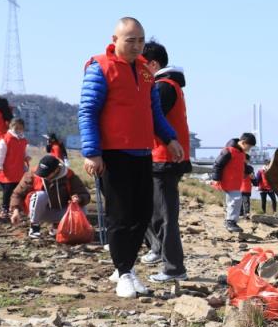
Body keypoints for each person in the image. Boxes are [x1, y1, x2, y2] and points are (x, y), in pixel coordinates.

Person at [78, 17, 182, 298]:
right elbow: (87, 111)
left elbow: (154, 112)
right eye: (130, 40)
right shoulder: (100, 67)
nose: (136, 45)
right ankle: (123, 272)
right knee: (120, 216)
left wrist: (170, 138)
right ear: (115, 40)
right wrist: (92, 153)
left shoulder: (146, 72)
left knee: (143, 213)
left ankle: (127, 267)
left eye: (140, 40)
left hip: (142, 151)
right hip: (113, 153)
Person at [138, 40, 193, 284]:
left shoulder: (163, 87)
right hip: (163, 159)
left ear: (152, 64)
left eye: (141, 63)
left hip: (165, 159)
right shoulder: (169, 85)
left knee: (165, 216)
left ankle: (173, 267)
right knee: (153, 211)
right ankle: (160, 251)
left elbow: (151, 121)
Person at [10, 155, 91, 239]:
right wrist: (16, 211)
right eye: (41, 173)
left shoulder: (69, 175)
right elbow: (17, 194)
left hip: (62, 212)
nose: (43, 176)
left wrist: (79, 198)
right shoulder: (33, 174)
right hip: (40, 212)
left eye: (46, 174)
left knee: (83, 208)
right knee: (40, 195)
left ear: (56, 170)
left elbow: (85, 195)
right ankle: (34, 227)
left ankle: (58, 226)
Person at [212, 132, 255, 233]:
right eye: (249, 147)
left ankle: (230, 221)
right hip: (228, 181)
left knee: (234, 200)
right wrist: (216, 178)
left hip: (235, 182)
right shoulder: (229, 151)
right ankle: (230, 221)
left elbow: (242, 166)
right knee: (235, 200)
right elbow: (217, 164)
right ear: (243, 143)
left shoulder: (241, 154)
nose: (249, 150)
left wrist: (249, 170)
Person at [0, 117, 29, 219]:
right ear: (11, 127)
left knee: (17, 192)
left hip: (18, 171)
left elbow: (24, 151)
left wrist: (26, 157)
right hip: (7, 172)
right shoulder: (5, 139)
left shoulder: (23, 140)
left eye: (20, 128)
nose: (18, 130)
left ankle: (15, 209)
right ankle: (5, 208)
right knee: (7, 192)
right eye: (16, 127)